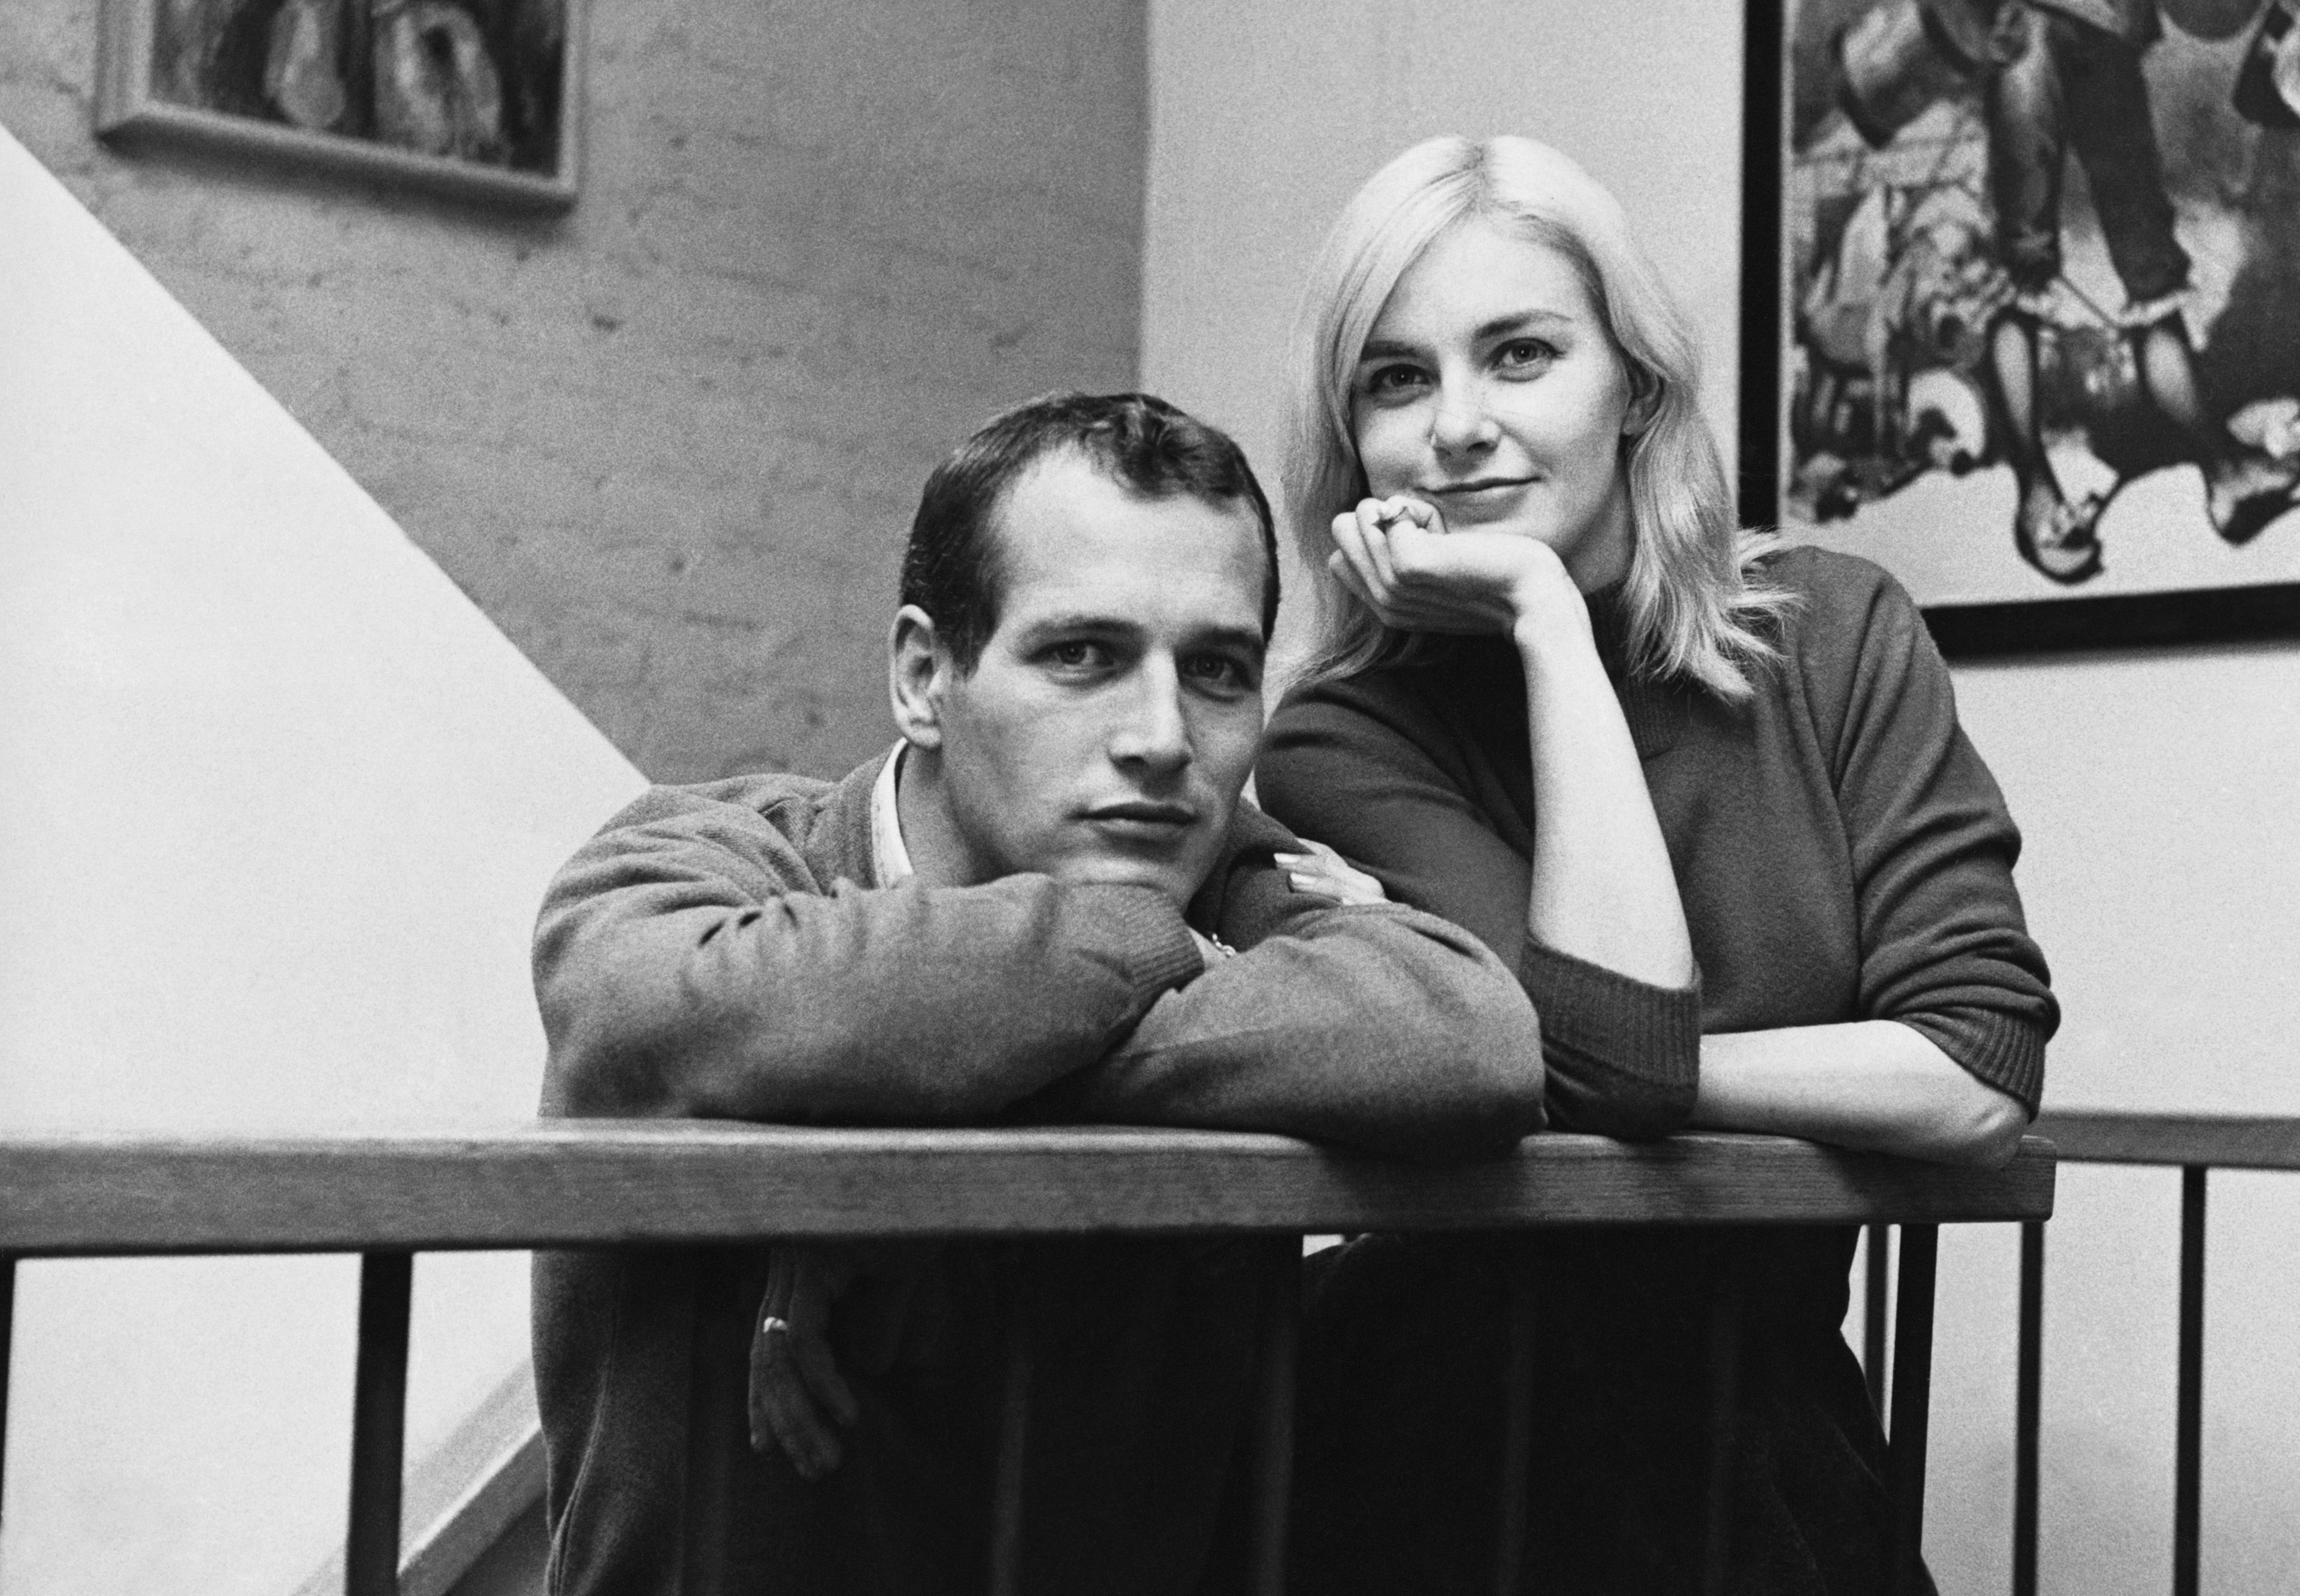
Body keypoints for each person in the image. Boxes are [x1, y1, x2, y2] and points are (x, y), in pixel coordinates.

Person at [530, 391, 1545, 1595]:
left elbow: (1469, 1036)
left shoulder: (1234, 877)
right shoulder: (705, 861)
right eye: (1083, 656)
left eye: (1217, 670)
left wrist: (882, 1095)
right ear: (923, 676)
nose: (1164, 737)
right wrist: (1152, 943)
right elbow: (666, 1013)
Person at [1255, 137, 2059, 1594]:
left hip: (1761, 1426)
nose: (1454, 425)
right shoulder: (1341, 730)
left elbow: (1977, 1064)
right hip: (1433, 1441)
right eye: (1395, 378)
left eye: (1517, 354)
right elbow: (1620, 1046)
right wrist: (1542, 617)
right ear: (1352, 436)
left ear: (1631, 382)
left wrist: (1598, 1063)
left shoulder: (1832, 633)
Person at [1831, 0, 2300, 578]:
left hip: (2099, 30)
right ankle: (2044, 486)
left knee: (2138, 265)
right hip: (2034, 34)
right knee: (2036, 265)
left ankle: (2221, 469)